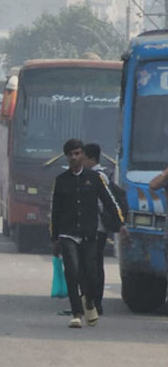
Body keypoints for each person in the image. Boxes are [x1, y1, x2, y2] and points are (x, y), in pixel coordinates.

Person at [51, 139, 124, 328]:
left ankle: (89, 301)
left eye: (77, 153)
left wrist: (120, 224)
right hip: (68, 233)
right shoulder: (61, 180)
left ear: (83, 155)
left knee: (91, 274)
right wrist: (54, 237)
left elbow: (110, 201)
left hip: (89, 234)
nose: (74, 158)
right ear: (67, 157)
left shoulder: (94, 178)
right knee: (73, 271)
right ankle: (76, 313)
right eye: (71, 155)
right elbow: (55, 210)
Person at [83, 143, 128, 315]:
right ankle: (91, 300)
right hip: (91, 227)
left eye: (83, 157)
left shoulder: (98, 176)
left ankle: (95, 302)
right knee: (91, 264)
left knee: (93, 264)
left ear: (92, 158)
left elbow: (106, 203)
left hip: (97, 228)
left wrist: (118, 223)